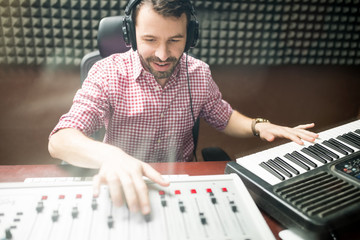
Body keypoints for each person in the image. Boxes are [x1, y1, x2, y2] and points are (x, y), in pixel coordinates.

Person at [48, 0, 318, 216]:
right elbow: (61, 140)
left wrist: (258, 125)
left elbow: (222, 115)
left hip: (182, 185)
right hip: (124, 185)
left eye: (174, 40)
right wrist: (113, 157)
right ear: (131, 35)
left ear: (190, 37)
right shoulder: (107, 73)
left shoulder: (198, 72)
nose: (163, 55)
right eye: (150, 40)